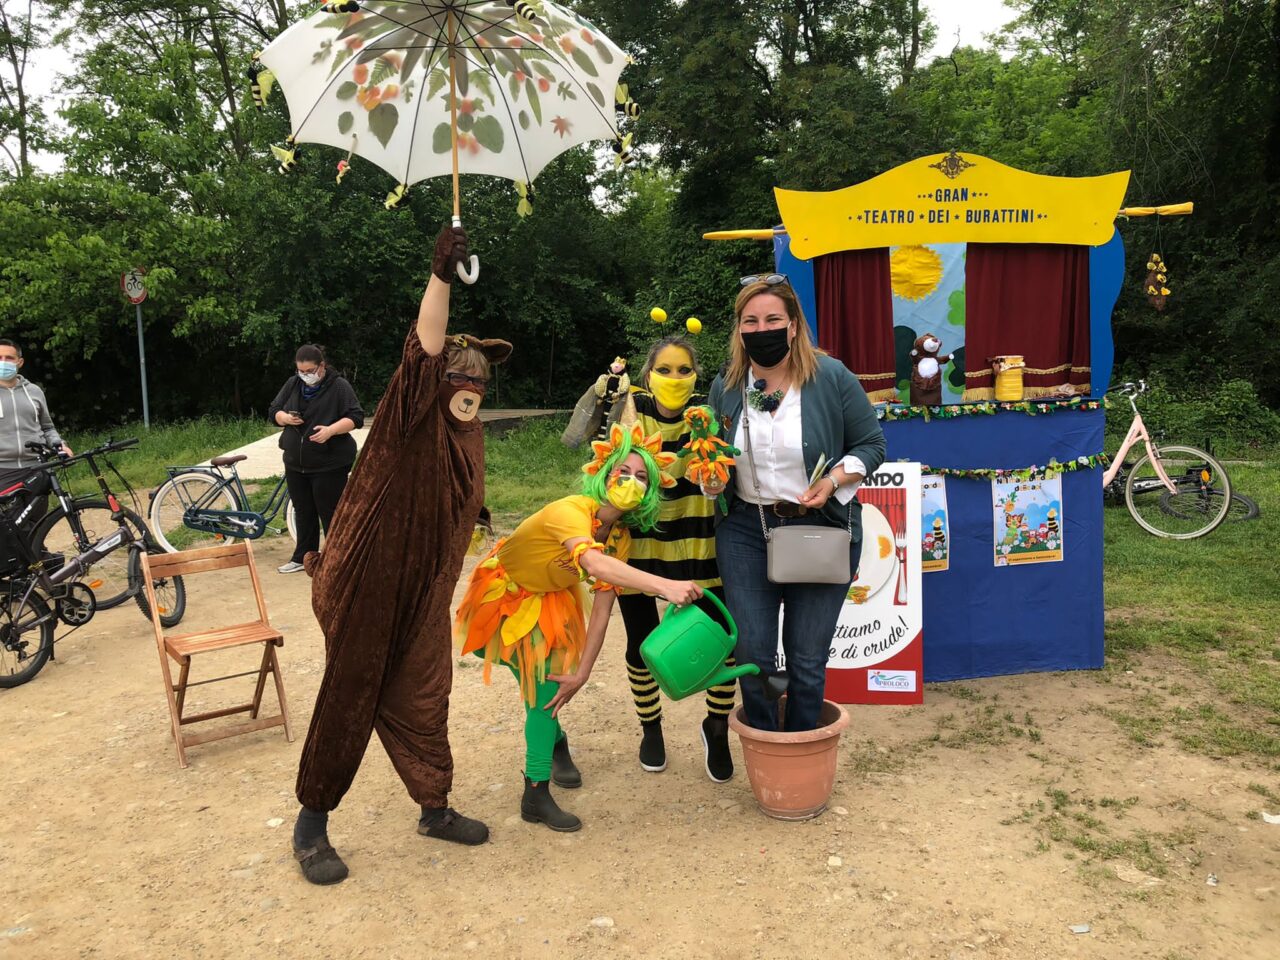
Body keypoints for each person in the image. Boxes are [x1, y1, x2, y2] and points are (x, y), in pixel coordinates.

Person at [290, 223, 512, 885]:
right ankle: (312, 822)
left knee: (425, 692)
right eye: (461, 376)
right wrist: (441, 276)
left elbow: (455, 491)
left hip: (423, 591)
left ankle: (433, 806)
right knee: (352, 694)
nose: (471, 385)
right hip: (366, 579)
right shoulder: (409, 409)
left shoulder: (467, 433)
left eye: (481, 379)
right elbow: (426, 346)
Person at [454, 423, 703, 833]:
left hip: (549, 602)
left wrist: (582, 674)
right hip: (501, 597)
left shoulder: (618, 537)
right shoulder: (570, 510)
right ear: (604, 474)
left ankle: (535, 793)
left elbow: (603, 610)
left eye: (642, 477)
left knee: (543, 694)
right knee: (537, 688)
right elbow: (592, 562)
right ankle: (555, 741)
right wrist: (665, 586)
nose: (631, 481)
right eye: (623, 472)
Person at [704, 275, 886, 733]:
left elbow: (872, 445)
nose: (761, 329)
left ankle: (803, 747)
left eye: (772, 319)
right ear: (739, 329)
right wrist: (711, 479)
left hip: (818, 527)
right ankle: (765, 744)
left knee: (806, 660)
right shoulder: (727, 385)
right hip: (745, 529)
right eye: (750, 321)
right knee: (753, 657)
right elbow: (708, 454)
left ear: (793, 325)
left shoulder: (831, 377)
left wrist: (832, 480)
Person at [616, 335, 737, 781]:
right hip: (638, 544)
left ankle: (717, 728)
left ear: (696, 375)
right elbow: (597, 458)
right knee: (640, 644)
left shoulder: (707, 415)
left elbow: (722, 471)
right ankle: (651, 729)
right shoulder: (628, 411)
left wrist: (717, 480)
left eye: (684, 370)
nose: (674, 378)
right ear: (648, 375)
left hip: (698, 541)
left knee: (720, 642)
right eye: (664, 369)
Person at [268, 346, 364, 574]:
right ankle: (303, 558)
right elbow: (274, 410)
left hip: (329, 463)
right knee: (303, 512)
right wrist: (284, 418)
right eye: (301, 371)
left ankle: (337, 562)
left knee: (330, 513)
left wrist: (331, 430)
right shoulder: (293, 384)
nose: (305, 375)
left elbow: (356, 417)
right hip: (295, 462)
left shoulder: (339, 386)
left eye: (309, 371)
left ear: (322, 366)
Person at [0, 339, 72, 531]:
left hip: (36, 467)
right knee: (13, 530)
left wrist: (59, 444)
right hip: (4, 471)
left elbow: (47, 427)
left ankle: (40, 552)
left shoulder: (34, 391)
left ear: (20, 362)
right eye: (0, 358)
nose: (4, 362)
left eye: (9, 358)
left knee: (38, 526)